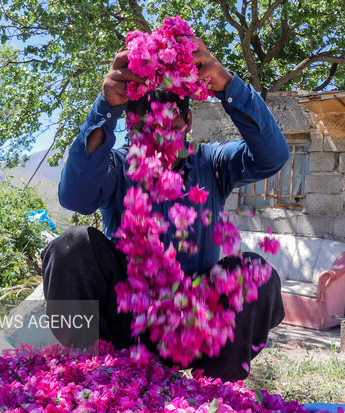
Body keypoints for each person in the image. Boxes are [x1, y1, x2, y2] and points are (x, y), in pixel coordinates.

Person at [42, 38, 289, 381]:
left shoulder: (212, 163)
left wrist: (228, 85)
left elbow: (272, 157)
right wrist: (105, 108)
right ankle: (86, 373)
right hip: (123, 320)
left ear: (187, 121)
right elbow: (75, 199)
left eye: (169, 126)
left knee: (254, 273)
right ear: (130, 125)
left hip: (196, 324)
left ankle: (213, 389)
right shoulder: (117, 165)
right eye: (145, 128)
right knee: (71, 245)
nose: (158, 140)